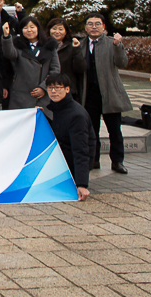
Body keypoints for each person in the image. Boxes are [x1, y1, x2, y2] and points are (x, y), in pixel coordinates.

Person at [80, 13, 132, 174]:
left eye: (97, 24)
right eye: (90, 24)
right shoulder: (80, 44)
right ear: (85, 27)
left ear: (104, 27)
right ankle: (94, 159)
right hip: (89, 94)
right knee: (91, 130)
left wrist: (118, 45)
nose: (94, 27)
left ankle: (117, 161)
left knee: (114, 130)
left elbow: (122, 63)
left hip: (109, 93)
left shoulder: (112, 43)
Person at [45, 72, 97, 200]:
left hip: (71, 163)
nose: (53, 91)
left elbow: (82, 151)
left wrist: (81, 184)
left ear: (67, 89)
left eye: (58, 88)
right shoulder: (59, 108)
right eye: (50, 88)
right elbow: (59, 130)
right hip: (64, 157)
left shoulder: (76, 115)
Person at [1, 16, 58, 110]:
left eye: (32, 27)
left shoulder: (49, 46)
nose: (29, 30)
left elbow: (55, 69)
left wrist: (43, 88)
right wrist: (6, 37)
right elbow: (9, 53)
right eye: (25, 28)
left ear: (38, 29)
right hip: (21, 97)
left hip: (43, 96)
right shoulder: (18, 45)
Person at [47, 18, 86, 91]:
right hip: (48, 88)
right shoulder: (43, 46)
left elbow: (81, 68)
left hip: (67, 88)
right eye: (54, 28)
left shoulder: (71, 46)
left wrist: (76, 49)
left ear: (66, 32)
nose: (57, 32)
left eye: (60, 29)